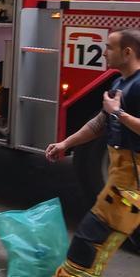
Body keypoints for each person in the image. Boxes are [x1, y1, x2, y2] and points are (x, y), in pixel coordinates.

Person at [47, 29, 140, 277]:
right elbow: (99, 123)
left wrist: (118, 113)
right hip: (121, 182)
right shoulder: (119, 82)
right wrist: (66, 144)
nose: (104, 51)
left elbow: (113, 115)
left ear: (127, 52)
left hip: (130, 189)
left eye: (109, 47)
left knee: (84, 251)